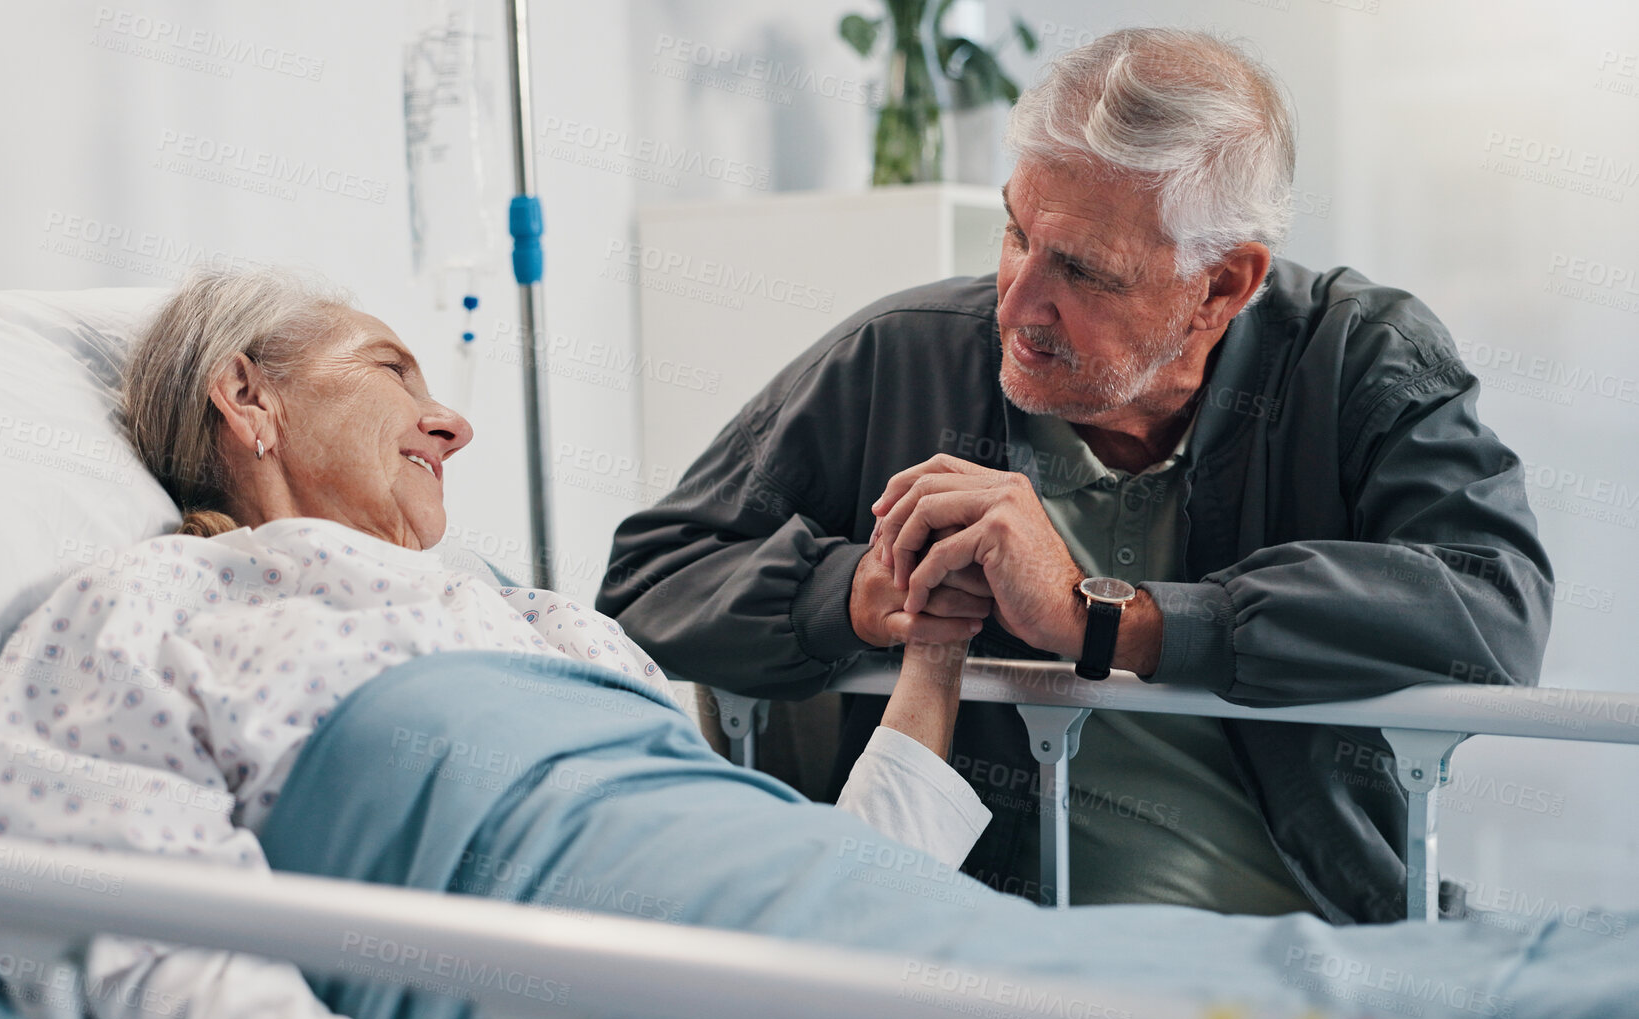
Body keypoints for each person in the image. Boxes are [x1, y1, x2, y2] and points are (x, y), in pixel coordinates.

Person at [597, 27, 1553, 923]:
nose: (1016, 302)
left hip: (1308, 940)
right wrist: (858, 591)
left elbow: (1493, 609)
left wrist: (1113, 616)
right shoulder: (901, 356)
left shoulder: (1355, 362)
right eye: (1014, 233)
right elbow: (646, 582)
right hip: (999, 951)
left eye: (1082, 271)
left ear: (1221, 285)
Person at [0, 265, 991, 1019]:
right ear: (246, 397)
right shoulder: (152, 604)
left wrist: (935, 652)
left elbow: (805, 878)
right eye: (392, 373)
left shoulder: (537, 618)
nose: (450, 424)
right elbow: (146, 920)